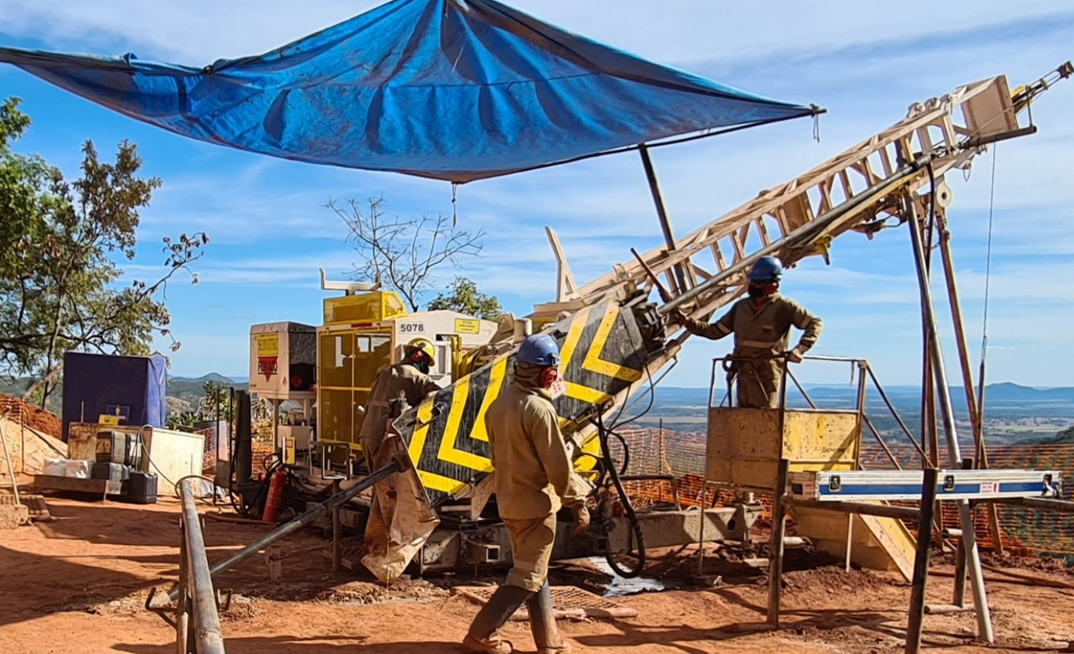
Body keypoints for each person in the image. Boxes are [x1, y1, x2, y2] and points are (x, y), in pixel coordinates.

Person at [464, 333, 589, 654]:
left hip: (508, 502)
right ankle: (481, 633)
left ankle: (549, 642)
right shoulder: (539, 410)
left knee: (534, 569)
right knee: (529, 573)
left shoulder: (498, 406)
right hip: (535, 505)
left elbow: (495, 458)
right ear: (547, 373)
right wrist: (578, 500)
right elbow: (558, 467)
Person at [679, 255, 822, 409]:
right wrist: (687, 322)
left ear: (771, 285)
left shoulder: (784, 307)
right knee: (743, 419)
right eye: (752, 280)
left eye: (757, 282)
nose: (751, 284)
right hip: (743, 370)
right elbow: (715, 331)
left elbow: (815, 323)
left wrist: (800, 348)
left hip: (767, 374)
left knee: (765, 419)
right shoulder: (741, 308)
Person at [357, 337, 441, 469]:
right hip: (386, 440)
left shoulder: (384, 373)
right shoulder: (418, 377)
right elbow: (439, 397)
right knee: (388, 484)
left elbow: (369, 403)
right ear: (418, 356)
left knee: (377, 482)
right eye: (426, 361)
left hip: (367, 434)